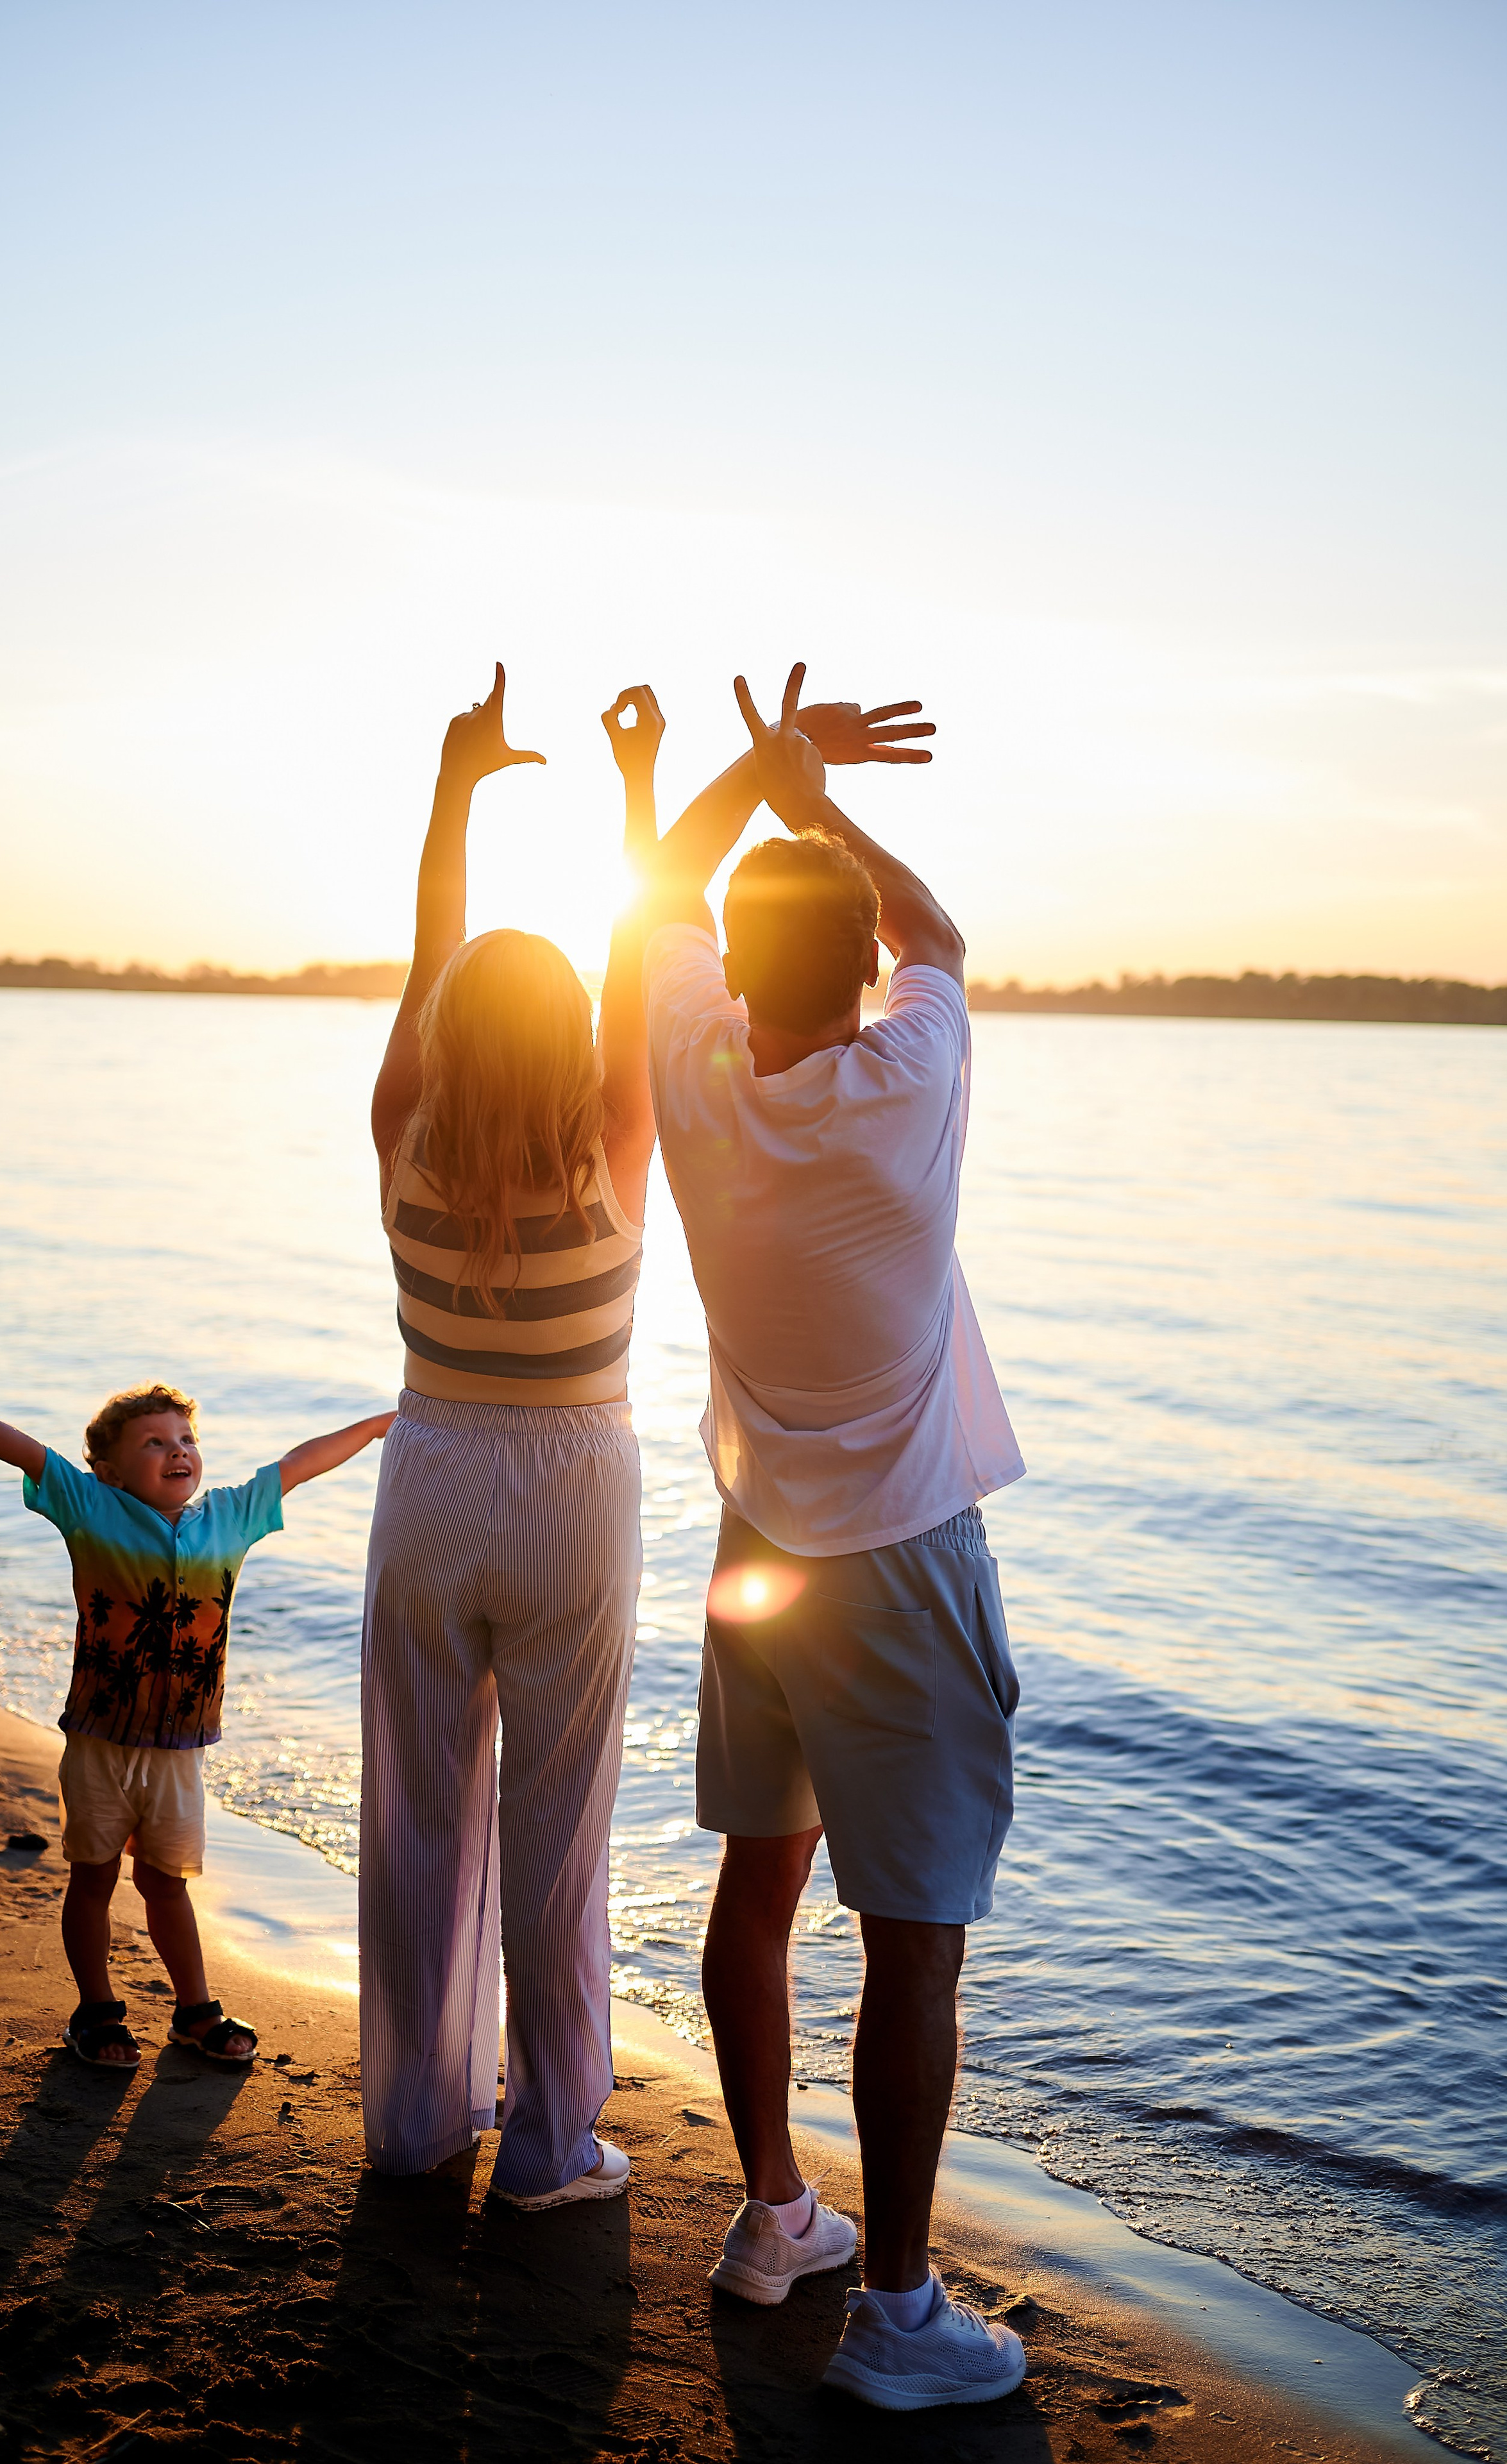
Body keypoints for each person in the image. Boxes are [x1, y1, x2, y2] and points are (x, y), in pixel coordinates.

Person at [640, 663, 1029, 2409]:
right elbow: (936, 923)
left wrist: (758, 772)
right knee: (915, 1937)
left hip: (756, 1549)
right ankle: (893, 2306)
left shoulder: (694, 1078)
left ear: (736, 972)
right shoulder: (909, 1085)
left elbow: (661, 895)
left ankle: (775, 2213)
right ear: (860, 973)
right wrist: (825, 803)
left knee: (762, 1878)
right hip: (901, 1559)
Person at [359, 662, 663, 2208]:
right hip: (570, 1489)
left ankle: (415, 2119)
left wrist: (455, 785)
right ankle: (549, 2141)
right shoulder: (616, 1144)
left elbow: (430, 954)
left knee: (420, 1811)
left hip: (426, 1476)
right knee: (559, 1836)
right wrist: (635, 787)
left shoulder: (402, 1131)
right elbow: (635, 959)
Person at [0, 1374, 392, 2070]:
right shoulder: (91, 1508)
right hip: (100, 1739)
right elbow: (25, 1451)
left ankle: (195, 2011)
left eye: (186, 1438)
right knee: (92, 1876)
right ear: (110, 1470)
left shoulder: (230, 1517)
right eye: (153, 1442)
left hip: (181, 1748)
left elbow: (298, 1464)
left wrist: (374, 1426)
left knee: (166, 1881)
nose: (177, 1450)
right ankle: (95, 2010)